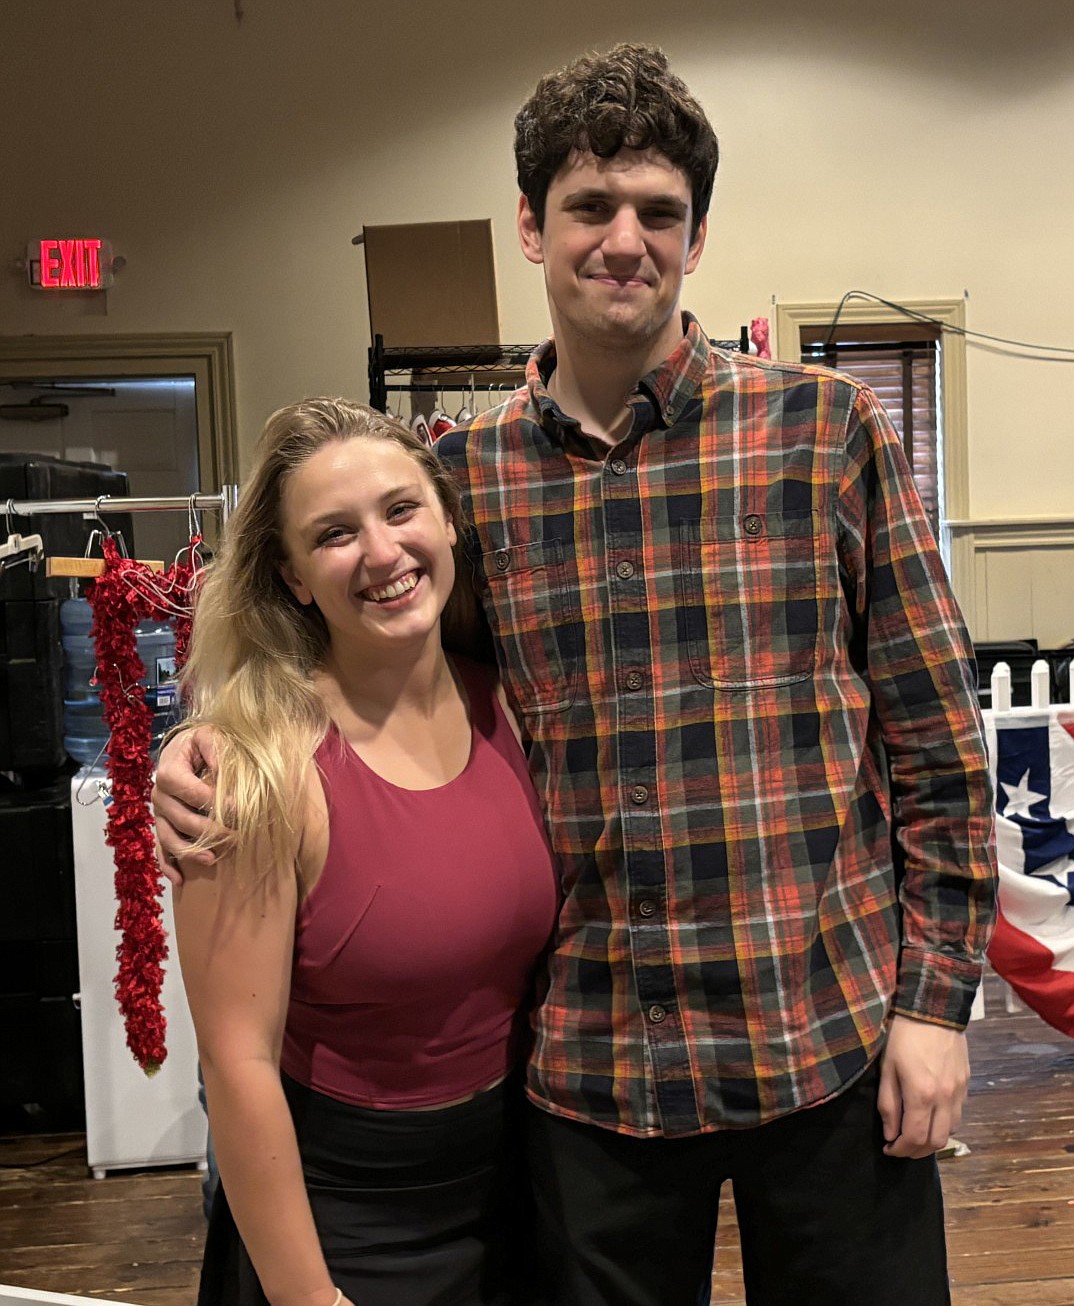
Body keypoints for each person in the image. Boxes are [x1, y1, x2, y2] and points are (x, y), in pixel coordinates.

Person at [155, 44, 997, 1306]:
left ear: (697, 237)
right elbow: (367, 659)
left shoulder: (827, 431)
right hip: (593, 1082)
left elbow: (939, 745)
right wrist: (214, 734)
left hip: (827, 1039)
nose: (625, 239)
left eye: (660, 212)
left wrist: (937, 1008)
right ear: (530, 230)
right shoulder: (461, 482)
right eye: (590, 207)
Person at [167, 398, 559, 1306]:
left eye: (400, 509)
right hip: (348, 1222)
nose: (382, 554)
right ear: (294, 576)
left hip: (519, 1194)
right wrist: (310, 1297)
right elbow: (237, 1064)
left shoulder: (510, 704)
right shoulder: (254, 770)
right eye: (334, 534)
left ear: (449, 521)